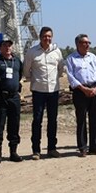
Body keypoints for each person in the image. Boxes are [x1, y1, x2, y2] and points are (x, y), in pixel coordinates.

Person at [23, 26, 65, 160]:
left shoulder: (57, 51)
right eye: (44, 36)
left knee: (53, 120)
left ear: (52, 37)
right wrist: (35, 80)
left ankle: (52, 148)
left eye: (49, 36)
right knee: (37, 120)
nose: (47, 38)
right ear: (40, 37)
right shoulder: (32, 52)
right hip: (38, 91)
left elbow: (60, 69)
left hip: (53, 90)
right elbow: (26, 71)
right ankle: (36, 150)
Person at [66, 33, 96, 156]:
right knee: (81, 119)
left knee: (95, 119)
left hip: (94, 89)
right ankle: (82, 147)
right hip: (80, 91)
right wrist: (83, 88)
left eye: (89, 43)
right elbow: (71, 77)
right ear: (78, 44)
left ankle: (94, 147)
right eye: (85, 42)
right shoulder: (71, 59)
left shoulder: (92, 57)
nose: (88, 45)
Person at [0, 36, 23, 163]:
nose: (7, 47)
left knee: (14, 125)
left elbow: (19, 75)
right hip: (1, 98)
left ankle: (13, 152)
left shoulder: (17, 61)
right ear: (0, 47)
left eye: (9, 45)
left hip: (14, 97)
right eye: (4, 45)